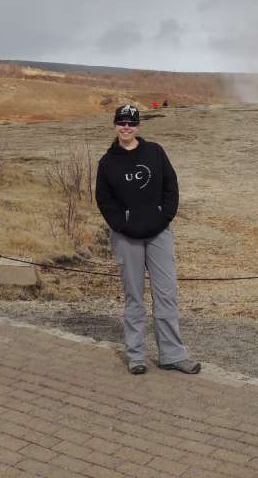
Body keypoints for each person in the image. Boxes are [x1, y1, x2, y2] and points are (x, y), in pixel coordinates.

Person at [95, 104, 200, 375]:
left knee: (166, 294)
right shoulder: (107, 162)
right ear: (115, 125)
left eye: (131, 123)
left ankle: (172, 355)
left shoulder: (154, 152)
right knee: (134, 297)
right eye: (121, 122)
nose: (126, 127)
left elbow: (171, 186)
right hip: (126, 238)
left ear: (138, 126)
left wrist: (163, 218)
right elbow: (104, 201)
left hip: (158, 234)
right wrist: (122, 224)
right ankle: (137, 356)